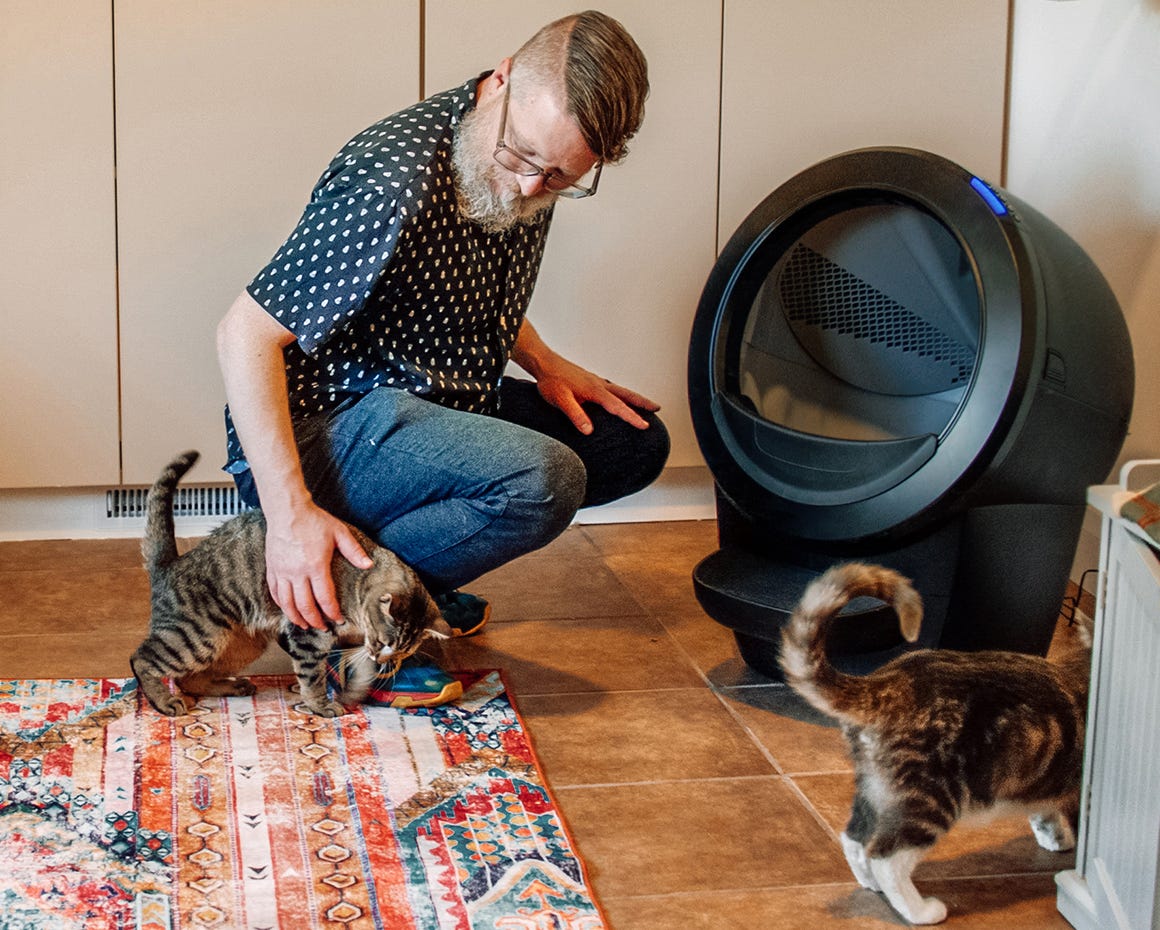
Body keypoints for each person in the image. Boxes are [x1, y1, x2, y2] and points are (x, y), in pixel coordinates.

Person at [216, 10, 669, 638]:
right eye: (523, 155)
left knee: (633, 443)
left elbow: (461, 290)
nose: (531, 184)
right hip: (328, 425)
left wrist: (547, 363)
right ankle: (348, 616)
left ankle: (411, 583)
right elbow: (245, 334)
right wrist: (290, 516)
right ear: (503, 78)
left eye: (562, 176)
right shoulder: (394, 181)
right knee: (545, 480)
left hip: (430, 399)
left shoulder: (525, 161)